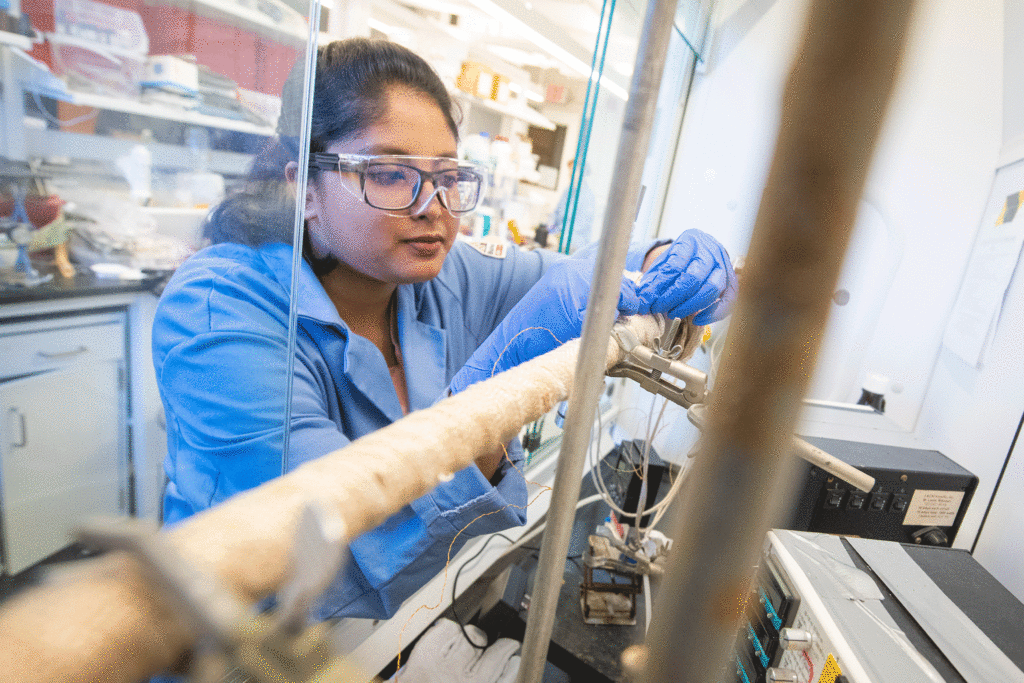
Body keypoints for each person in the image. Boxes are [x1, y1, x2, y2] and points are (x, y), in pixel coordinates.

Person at [152, 38, 737, 625]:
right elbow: (330, 557)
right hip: (244, 642)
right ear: (304, 187)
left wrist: (672, 261)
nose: (433, 206)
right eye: (389, 174)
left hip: (392, 627)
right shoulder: (218, 310)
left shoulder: (435, 272)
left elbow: (594, 274)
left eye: (448, 176)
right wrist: (489, 402)